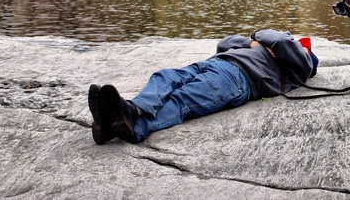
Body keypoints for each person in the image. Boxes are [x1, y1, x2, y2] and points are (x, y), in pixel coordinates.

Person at [88, 29, 319, 144]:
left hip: (238, 79)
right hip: (215, 63)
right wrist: (251, 42)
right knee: (164, 77)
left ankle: (134, 128)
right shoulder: (259, 47)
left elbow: (281, 39)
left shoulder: (301, 63)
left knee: (182, 100)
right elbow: (224, 43)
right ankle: (127, 113)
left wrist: (261, 35)